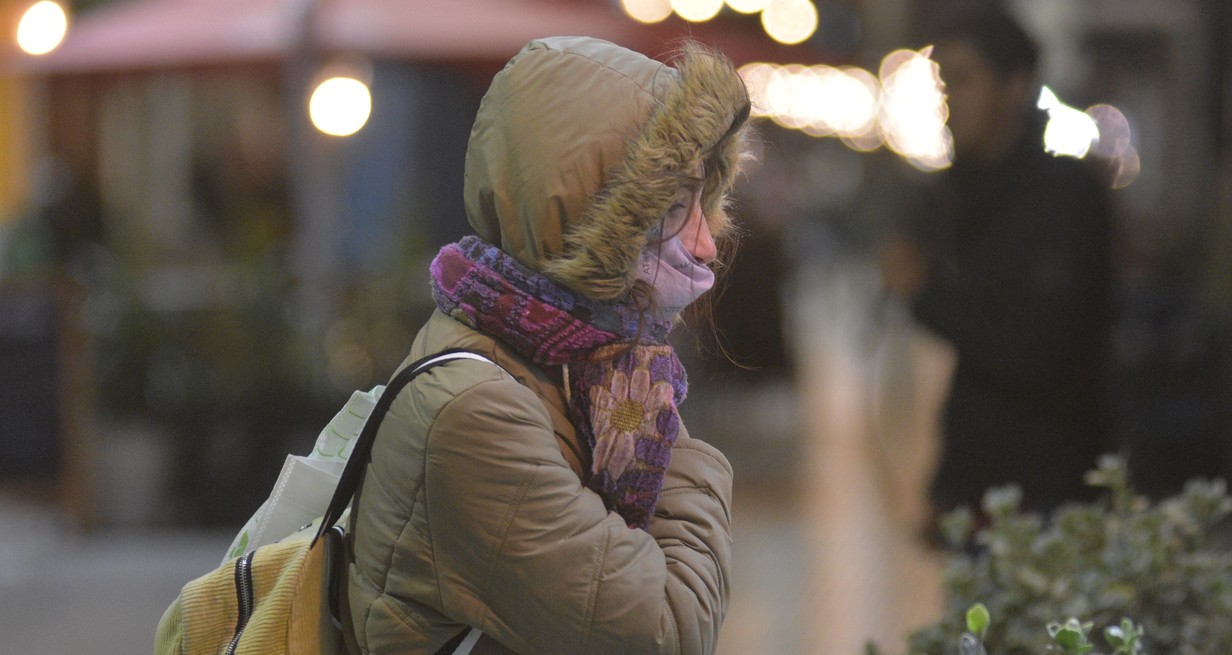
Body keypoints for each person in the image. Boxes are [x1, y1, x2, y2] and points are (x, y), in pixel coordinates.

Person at [343, 37, 752, 654]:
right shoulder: (478, 411)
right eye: (672, 207)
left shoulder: (566, 362)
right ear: (587, 217)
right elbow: (669, 629)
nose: (705, 244)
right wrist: (680, 453)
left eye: (702, 201)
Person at [880, 5, 1113, 523]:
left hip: (1049, 491)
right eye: (944, 85)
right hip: (974, 485)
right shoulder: (956, 194)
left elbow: (1032, 350)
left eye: (964, 81)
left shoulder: (1063, 198)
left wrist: (924, 292)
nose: (949, 103)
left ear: (1014, 86)